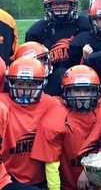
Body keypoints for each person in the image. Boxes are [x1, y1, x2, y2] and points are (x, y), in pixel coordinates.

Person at [30, 65, 101, 190]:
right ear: (66, 92)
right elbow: (52, 164)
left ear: (96, 91)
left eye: (87, 90)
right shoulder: (54, 119)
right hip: (67, 183)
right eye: (77, 91)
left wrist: (91, 172)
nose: (83, 95)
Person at [0, 57, 60, 188]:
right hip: (8, 174)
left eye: (31, 84)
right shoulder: (2, 104)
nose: (26, 90)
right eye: (20, 84)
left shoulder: (53, 105)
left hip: (41, 174)